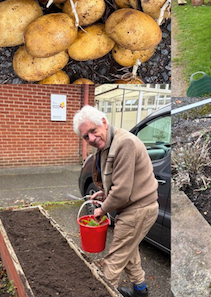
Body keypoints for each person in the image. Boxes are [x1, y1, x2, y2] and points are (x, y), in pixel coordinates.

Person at [73, 105, 158, 297]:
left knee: (114, 260)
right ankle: (141, 291)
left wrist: (102, 209)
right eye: (86, 137)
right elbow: (120, 183)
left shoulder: (124, 143)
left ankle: (104, 292)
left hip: (139, 210)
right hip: (132, 207)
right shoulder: (106, 146)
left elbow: (121, 192)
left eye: (93, 131)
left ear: (103, 122)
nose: (91, 139)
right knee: (129, 253)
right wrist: (103, 195)